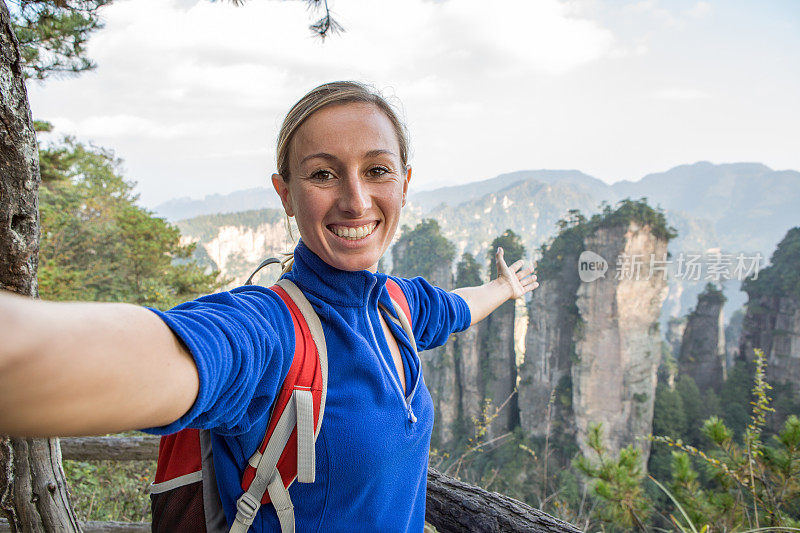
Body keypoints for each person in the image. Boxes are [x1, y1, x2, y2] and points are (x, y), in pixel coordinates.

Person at [0, 81, 538, 531]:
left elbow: (456, 307)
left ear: (405, 182)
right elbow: (159, 354)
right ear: (285, 193)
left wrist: (506, 288)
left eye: (377, 170)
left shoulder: (395, 307)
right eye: (323, 173)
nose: (355, 199)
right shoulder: (268, 332)